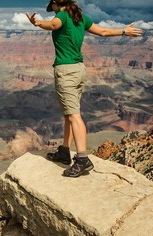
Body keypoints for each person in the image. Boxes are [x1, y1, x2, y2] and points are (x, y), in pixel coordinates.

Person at [26, 0, 143, 177]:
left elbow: (52, 24)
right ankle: (65, 151)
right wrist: (124, 31)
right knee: (69, 114)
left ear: (57, 4)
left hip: (66, 71)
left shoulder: (62, 17)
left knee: (74, 116)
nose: (53, 12)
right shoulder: (80, 17)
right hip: (79, 70)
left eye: (53, 8)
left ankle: (82, 159)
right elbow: (102, 32)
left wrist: (37, 23)